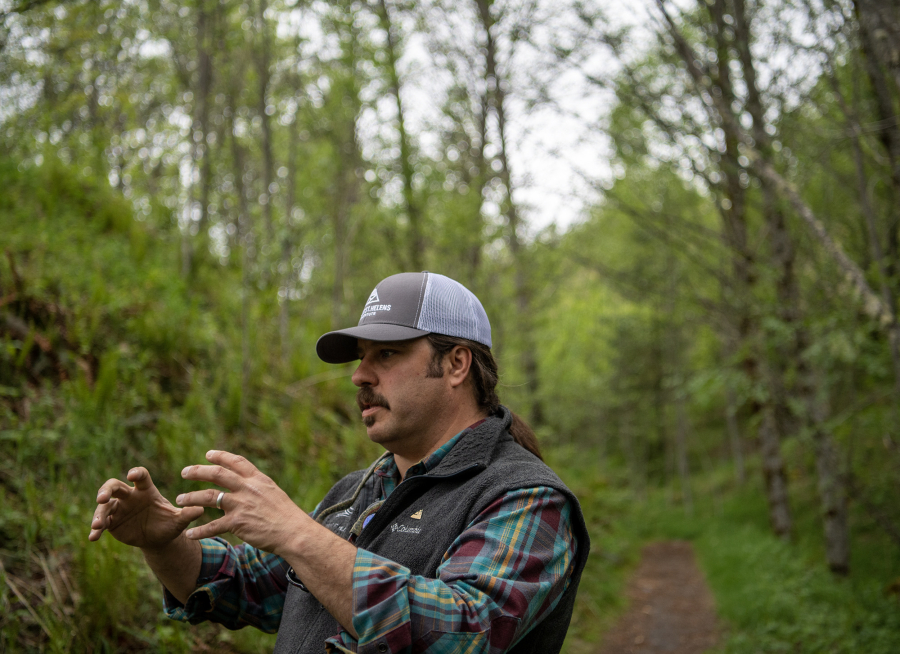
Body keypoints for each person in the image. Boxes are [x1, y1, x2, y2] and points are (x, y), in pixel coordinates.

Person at [89, 271, 589, 654]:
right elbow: (258, 587)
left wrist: (297, 533)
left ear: (457, 363)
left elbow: (466, 629)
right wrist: (164, 543)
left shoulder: (524, 496)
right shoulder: (362, 488)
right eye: (361, 357)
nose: (360, 376)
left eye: (387, 355)